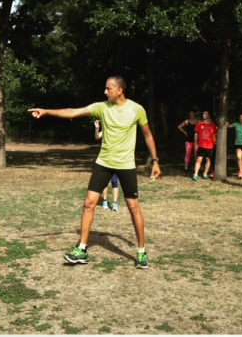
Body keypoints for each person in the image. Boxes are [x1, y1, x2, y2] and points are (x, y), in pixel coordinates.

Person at [28, 76, 161, 269]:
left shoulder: (136, 109)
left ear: (119, 90)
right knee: (89, 203)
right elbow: (73, 111)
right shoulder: (102, 107)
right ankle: (82, 249)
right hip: (103, 163)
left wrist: (155, 161)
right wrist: (47, 111)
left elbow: (147, 135)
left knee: (133, 208)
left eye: (108, 89)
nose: (105, 92)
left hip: (125, 165)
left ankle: (141, 251)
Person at [94, 120, 120, 212]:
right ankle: (105, 202)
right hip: (105, 160)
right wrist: (97, 128)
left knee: (115, 182)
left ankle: (115, 204)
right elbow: (97, 136)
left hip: (116, 161)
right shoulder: (105, 130)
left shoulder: (118, 130)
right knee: (105, 183)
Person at [192, 111, 218, 181]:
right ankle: (195, 174)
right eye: (203, 114)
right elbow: (196, 134)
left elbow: (215, 134)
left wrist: (214, 140)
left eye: (205, 114)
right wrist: (196, 143)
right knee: (199, 159)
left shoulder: (212, 125)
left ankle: (205, 173)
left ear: (209, 115)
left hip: (209, 146)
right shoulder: (200, 123)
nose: (203, 115)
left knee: (208, 159)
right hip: (201, 145)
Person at [227, 114, 242, 179]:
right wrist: (226, 122)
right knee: (239, 157)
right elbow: (229, 126)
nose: (241, 118)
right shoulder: (236, 124)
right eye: (240, 117)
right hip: (238, 144)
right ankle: (240, 171)